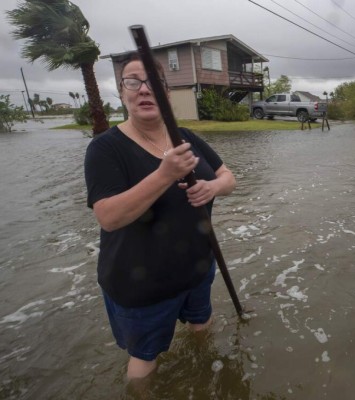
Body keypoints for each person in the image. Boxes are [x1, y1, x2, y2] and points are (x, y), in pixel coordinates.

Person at [84, 51, 236, 380]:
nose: (143, 89)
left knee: (202, 328)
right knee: (144, 361)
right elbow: (108, 217)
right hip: (142, 286)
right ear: (122, 92)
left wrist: (213, 188)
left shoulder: (185, 138)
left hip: (197, 269)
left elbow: (229, 177)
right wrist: (164, 174)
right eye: (133, 82)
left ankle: (204, 377)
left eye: (153, 83)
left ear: (166, 94)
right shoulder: (105, 148)